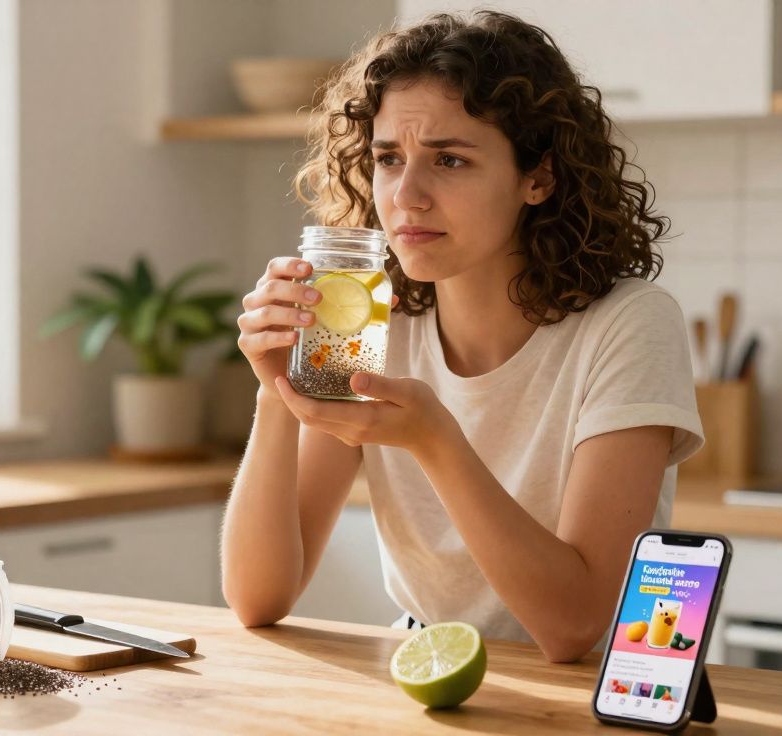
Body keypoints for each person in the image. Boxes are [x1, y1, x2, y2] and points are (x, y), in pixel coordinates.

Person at [220, 10, 703, 663]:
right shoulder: (374, 319)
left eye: (449, 159)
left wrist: (434, 440)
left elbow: (574, 626)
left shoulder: (628, 324)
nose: (407, 195)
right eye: (389, 158)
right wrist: (277, 392)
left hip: (592, 687)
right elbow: (257, 598)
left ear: (539, 178)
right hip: (432, 672)